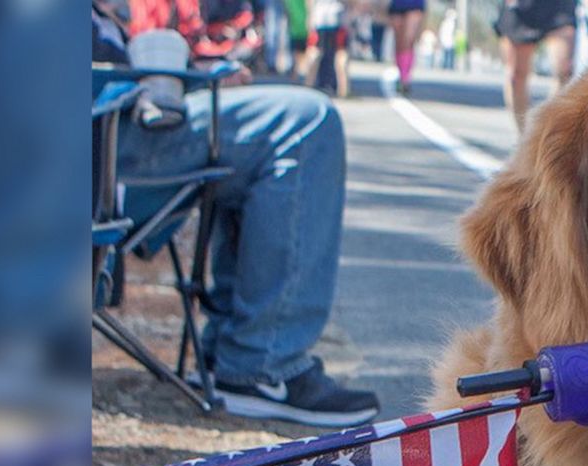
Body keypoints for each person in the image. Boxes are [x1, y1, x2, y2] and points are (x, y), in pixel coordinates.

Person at [94, 1, 380, 427]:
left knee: (265, 125)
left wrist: (190, 73)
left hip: (100, 132)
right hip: (91, 143)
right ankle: (261, 362)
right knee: (305, 122)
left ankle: (237, 353)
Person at [494, 0, 576, 131]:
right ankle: (524, 138)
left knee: (564, 70)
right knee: (516, 76)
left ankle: (545, 132)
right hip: (520, 7)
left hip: (559, 6)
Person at [388, 0, 425, 95]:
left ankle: (405, 79)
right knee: (399, 43)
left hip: (414, 4)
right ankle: (401, 75)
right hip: (397, 4)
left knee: (408, 40)